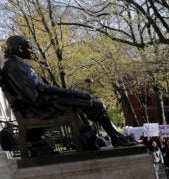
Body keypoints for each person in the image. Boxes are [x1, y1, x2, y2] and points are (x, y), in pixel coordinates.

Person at [0, 35, 135, 152]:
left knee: (89, 103)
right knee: (96, 105)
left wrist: (72, 94)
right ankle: (113, 138)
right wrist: (72, 93)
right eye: (28, 47)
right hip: (42, 106)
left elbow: (41, 87)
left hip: (46, 102)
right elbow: (40, 89)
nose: (31, 50)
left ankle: (93, 139)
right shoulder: (13, 66)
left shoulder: (18, 64)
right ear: (19, 48)